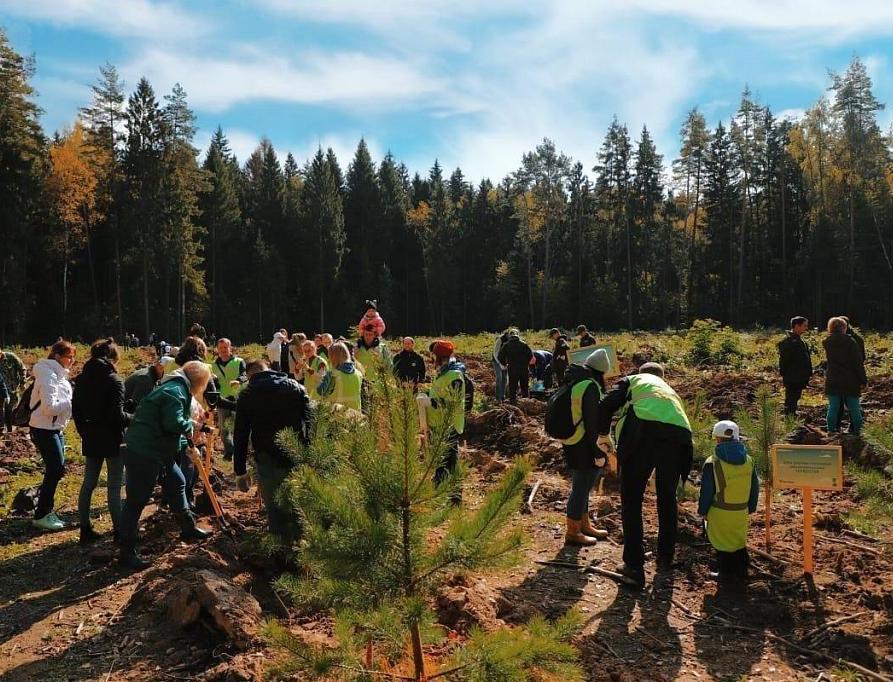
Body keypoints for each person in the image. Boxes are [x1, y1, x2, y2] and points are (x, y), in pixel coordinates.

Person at [597, 362, 693, 587]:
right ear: (663, 376)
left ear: (641, 373)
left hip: (644, 433)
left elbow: (606, 404)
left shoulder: (633, 380)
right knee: (668, 498)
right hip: (680, 438)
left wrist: (603, 434)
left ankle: (633, 566)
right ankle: (666, 558)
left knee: (632, 499)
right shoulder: (670, 391)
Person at [118, 361, 213, 569]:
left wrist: (187, 445)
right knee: (137, 500)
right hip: (145, 450)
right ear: (199, 382)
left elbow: (167, 423)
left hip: (160, 448)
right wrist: (194, 425)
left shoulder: (174, 387)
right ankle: (126, 552)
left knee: (177, 481)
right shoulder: (175, 391)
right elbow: (173, 423)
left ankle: (188, 528)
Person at [233, 359, 311, 552]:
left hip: (266, 456)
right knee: (296, 503)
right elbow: (311, 422)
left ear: (250, 375)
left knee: (274, 507)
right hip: (294, 454)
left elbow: (240, 434)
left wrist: (240, 470)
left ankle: (279, 552)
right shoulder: (296, 387)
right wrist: (309, 451)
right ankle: (301, 551)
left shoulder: (248, 394)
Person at [72, 339, 130, 544]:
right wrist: (134, 416)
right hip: (113, 437)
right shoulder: (114, 380)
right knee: (114, 486)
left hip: (91, 434)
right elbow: (117, 416)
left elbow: (76, 411)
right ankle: (119, 531)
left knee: (88, 483)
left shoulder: (81, 379)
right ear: (112, 357)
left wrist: (84, 432)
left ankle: (85, 529)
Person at [558, 350, 612, 546]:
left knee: (583, 485)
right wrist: (596, 449)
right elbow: (591, 422)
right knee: (581, 487)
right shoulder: (590, 386)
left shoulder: (576, 381)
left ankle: (584, 525)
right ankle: (573, 532)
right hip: (583, 442)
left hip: (572, 440)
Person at [698, 420, 759, 583]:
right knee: (738, 541)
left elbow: (707, 491)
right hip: (741, 511)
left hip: (720, 511)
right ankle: (742, 569)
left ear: (717, 439)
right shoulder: (749, 461)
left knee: (722, 544)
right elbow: (754, 487)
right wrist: (751, 507)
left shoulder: (713, 462)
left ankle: (725, 573)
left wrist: (702, 510)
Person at [29, 340, 76, 531]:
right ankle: (42, 515)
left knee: (56, 470)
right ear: (57, 356)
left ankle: (46, 511)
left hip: (53, 428)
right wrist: (73, 402)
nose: (72, 361)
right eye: (69, 357)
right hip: (44, 428)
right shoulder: (48, 375)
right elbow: (49, 408)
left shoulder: (58, 374)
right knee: (55, 469)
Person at [423, 340, 466, 500]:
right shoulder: (443, 372)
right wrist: (428, 396)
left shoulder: (454, 375)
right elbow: (440, 393)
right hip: (438, 422)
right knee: (442, 458)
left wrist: (432, 402)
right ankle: (439, 488)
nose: (432, 359)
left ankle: (455, 496)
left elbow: (453, 401)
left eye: (433, 356)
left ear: (439, 357)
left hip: (449, 424)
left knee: (450, 460)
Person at [823, 317, 867, 435]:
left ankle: (831, 430)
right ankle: (858, 431)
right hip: (850, 379)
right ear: (844, 327)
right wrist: (863, 380)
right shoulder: (851, 342)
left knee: (833, 406)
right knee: (854, 407)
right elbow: (857, 363)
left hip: (833, 378)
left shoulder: (827, 342)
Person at [210, 338, 246, 462]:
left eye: (225, 347)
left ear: (230, 347)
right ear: (217, 349)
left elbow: (245, 375)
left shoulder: (239, 361)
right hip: (221, 399)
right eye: (221, 348)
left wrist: (239, 381)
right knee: (223, 428)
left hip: (237, 399)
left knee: (239, 427)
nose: (223, 350)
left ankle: (240, 452)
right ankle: (229, 451)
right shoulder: (213, 365)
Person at [777, 316, 812, 416]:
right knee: (791, 398)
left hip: (799, 377)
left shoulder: (800, 341)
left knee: (795, 398)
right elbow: (784, 361)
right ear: (797, 326)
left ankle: (791, 415)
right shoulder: (788, 342)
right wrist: (786, 374)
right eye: (804, 326)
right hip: (793, 377)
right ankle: (789, 418)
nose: (806, 328)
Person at [318, 342, 364, 412]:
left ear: (333, 356)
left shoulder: (332, 374)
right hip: (355, 416)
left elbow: (321, 391)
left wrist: (322, 379)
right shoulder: (359, 373)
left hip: (337, 417)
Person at [498, 329, 533, 404]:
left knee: (513, 387)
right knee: (524, 387)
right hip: (524, 369)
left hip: (512, 369)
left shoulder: (506, 345)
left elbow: (500, 357)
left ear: (510, 336)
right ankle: (526, 402)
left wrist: (505, 364)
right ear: (518, 335)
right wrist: (526, 363)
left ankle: (513, 402)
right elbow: (531, 356)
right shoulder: (524, 344)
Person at [492, 330, 510, 402]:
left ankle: (503, 396)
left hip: (505, 361)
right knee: (499, 378)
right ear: (507, 334)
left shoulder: (512, 340)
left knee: (505, 379)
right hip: (497, 361)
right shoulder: (500, 340)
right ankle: (498, 398)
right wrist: (499, 364)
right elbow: (495, 353)